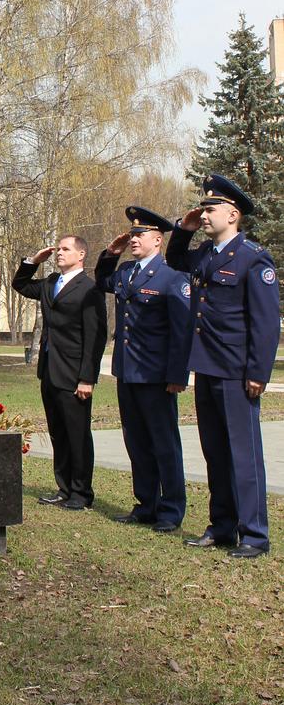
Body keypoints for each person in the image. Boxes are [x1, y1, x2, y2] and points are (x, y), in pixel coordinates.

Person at [166, 174, 279, 558]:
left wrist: (258, 373)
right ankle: (223, 526)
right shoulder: (205, 254)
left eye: (210, 209)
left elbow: (265, 323)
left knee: (244, 456)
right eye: (202, 208)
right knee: (215, 452)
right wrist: (183, 230)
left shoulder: (253, 257)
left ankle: (255, 535)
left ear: (232, 214)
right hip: (206, 366)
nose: (204, 214)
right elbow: (175, 260)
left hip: (235, 370)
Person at [95, 207, 191, 532]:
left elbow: (181, 331)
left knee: (164, 444)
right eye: (132, 234)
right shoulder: (125, 272)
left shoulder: (172, 276)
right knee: (136, 442)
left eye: (140, 234)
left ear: (158, 240)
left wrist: (177, 375)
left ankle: (171, 510)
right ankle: (146, 504)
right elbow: (102, 281)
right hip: (127, 371)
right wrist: (110, 254)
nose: (133, 239)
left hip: (156, 375)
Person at [13, 236, 107, 510]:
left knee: (77, 435)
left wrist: (87, 377)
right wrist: (33, 262)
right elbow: (21, 285)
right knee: (59, 433)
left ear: (81, 254)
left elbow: (95, 336)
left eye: (66, 249)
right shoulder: (51, 282)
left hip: (74, 374)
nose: (59, 253)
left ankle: (81, 493)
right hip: (50, 370)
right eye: (58, 249)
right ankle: (64, 488)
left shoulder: (89, 288)